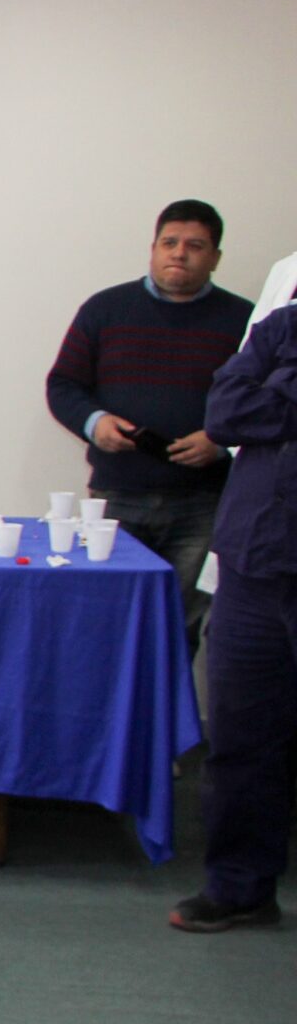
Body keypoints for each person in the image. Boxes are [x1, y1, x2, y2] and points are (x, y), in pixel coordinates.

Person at [45, 200, 252, 659]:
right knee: (107, 620)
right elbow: (63, 385)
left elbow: (261, 405)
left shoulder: (244, 321)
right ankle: (111, 708)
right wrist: (95, 423)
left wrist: (221, 440)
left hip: (204, 504)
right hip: (117, 497)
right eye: (169, 243)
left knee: (180, 627)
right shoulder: (105, 309)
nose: (179, 253)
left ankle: (169, 710)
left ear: (215, 257)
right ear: (153, 248)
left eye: (195, 245)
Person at [173, 294, 297, 932]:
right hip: (254, 560)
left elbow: (248, 408)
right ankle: (240, 887)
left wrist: (272, 399)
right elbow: (224, 411)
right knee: (241, 739)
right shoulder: (284, 323)